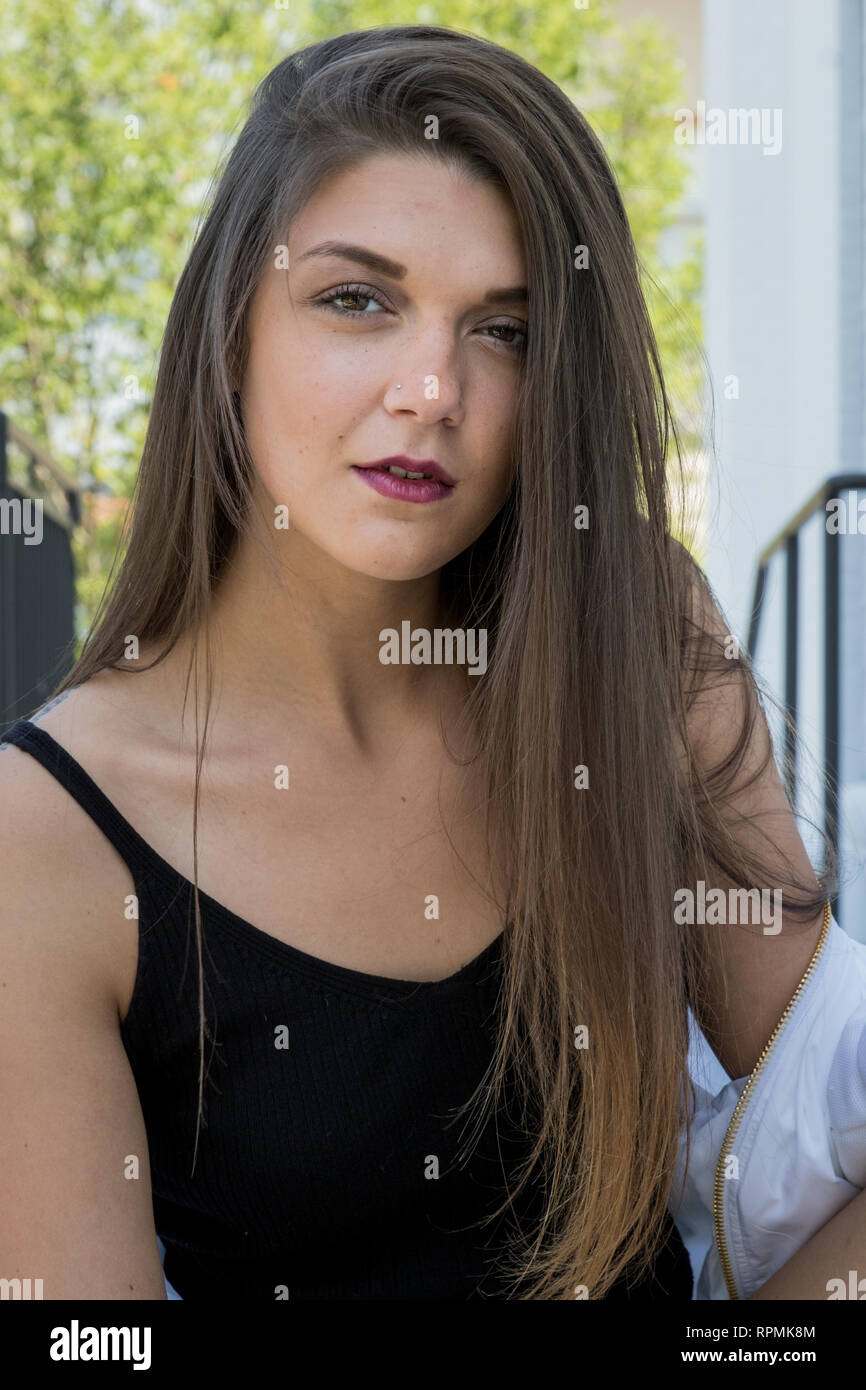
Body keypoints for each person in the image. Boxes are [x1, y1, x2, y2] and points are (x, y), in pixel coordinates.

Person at [0, 25, 859, 1302]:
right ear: (231, 321)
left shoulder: (633, 644)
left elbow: (824, 1125)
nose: (430, 388)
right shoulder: (49, 835)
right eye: (357, 298)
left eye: (503, 330)